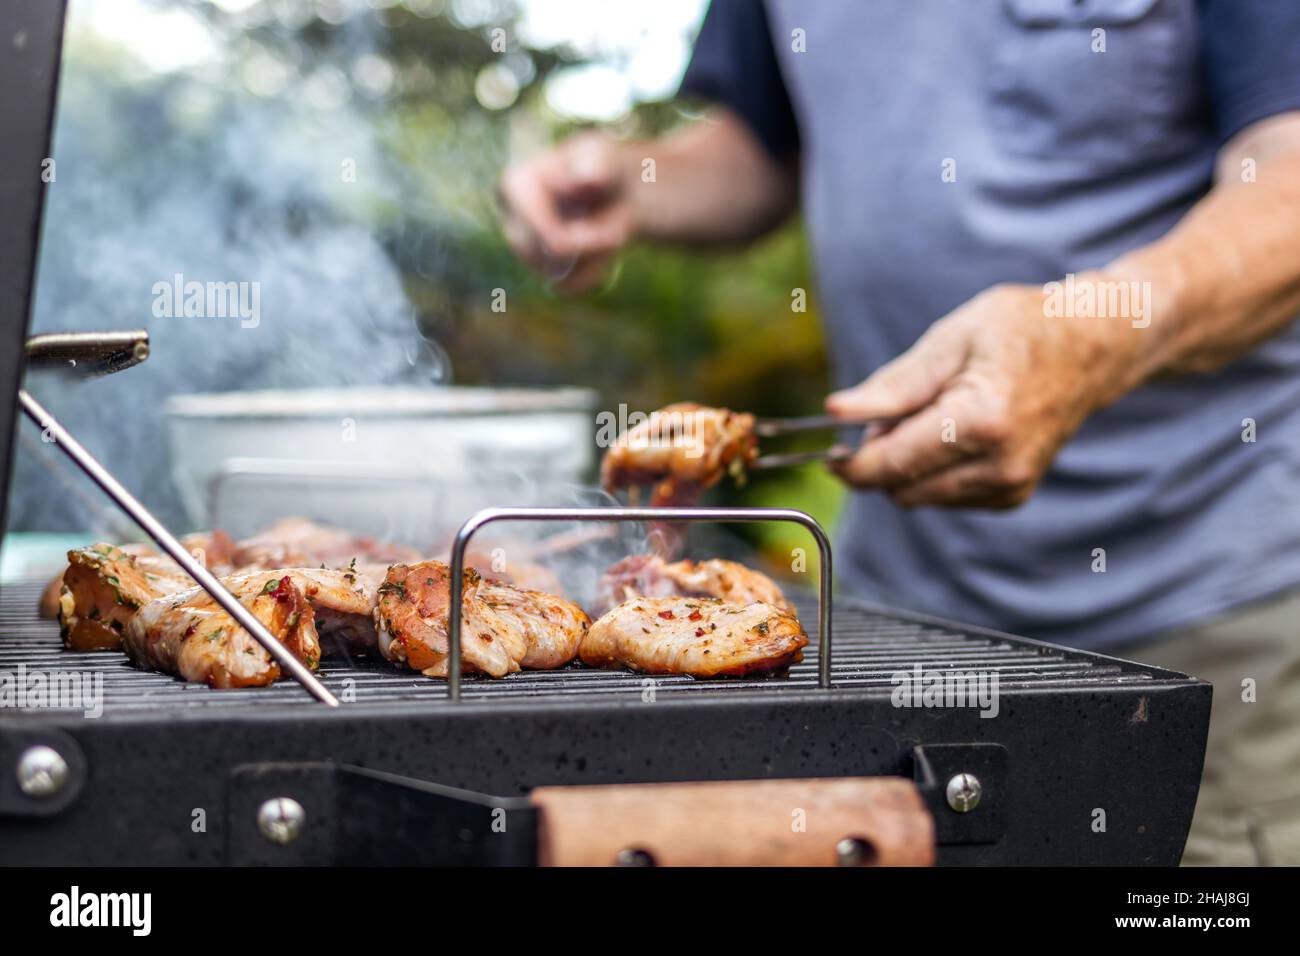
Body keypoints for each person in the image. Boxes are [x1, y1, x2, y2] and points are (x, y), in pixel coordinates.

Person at [497, 0, 1300, 865]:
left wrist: (1086, 336)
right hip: (894, 622)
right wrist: (635, 177)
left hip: (1194, 601)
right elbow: (764, 149)